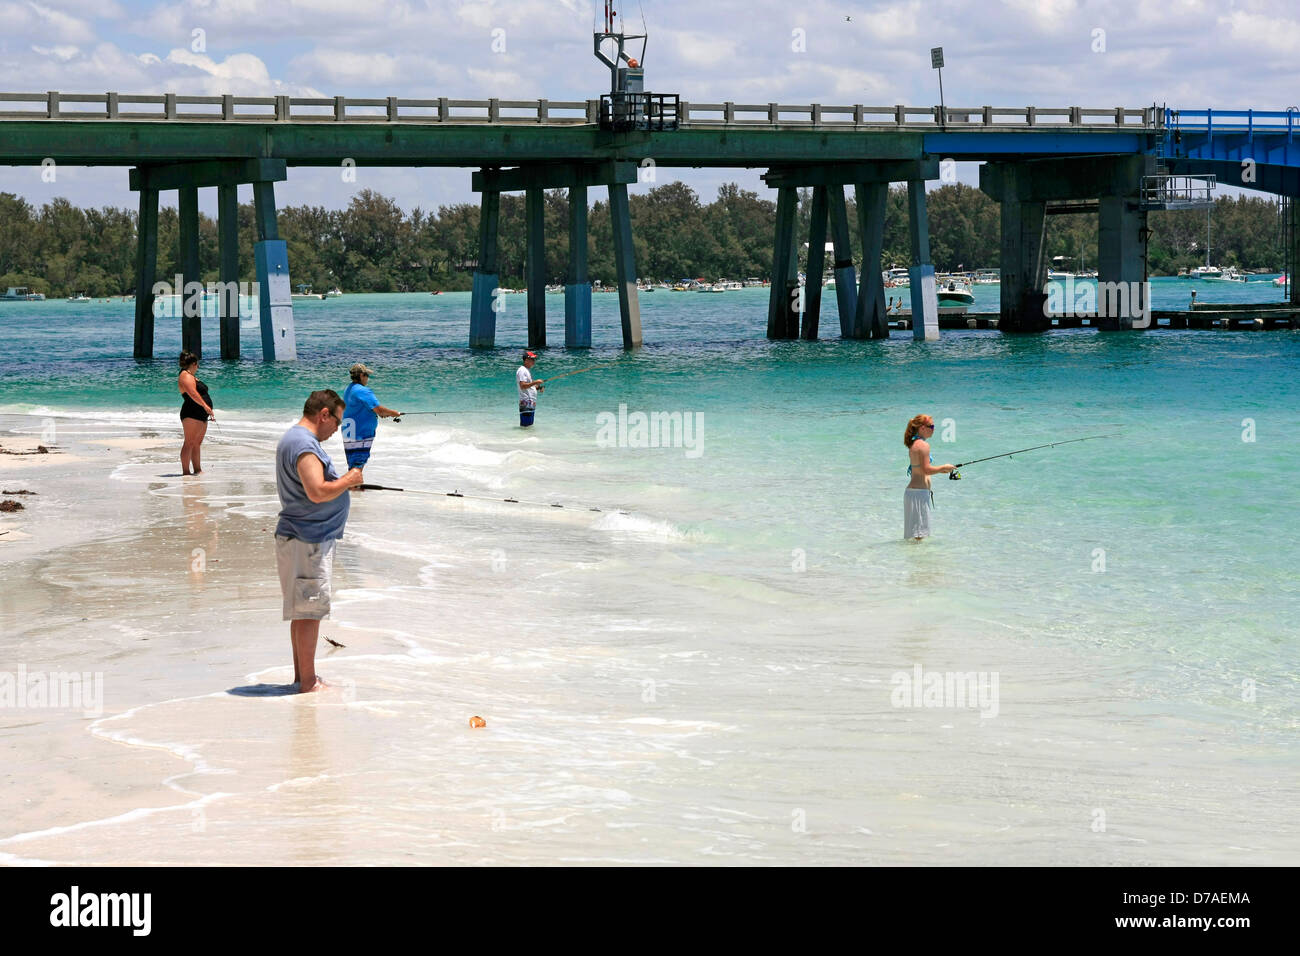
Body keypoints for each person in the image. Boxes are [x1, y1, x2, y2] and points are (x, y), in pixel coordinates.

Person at [274, 390, 364, 692]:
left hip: (301, 536)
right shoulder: (303, 444)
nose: (337, 429)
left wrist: (341, 486)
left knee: (303, 612)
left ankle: (303, 677)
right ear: (323, 414)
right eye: (336, 421)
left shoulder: (294, 438)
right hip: (308, 539)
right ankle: (308, 683)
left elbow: (318, 488)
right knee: (309, 612)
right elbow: (316, 491)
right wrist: (348, 481)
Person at [341, 363, 401, 479]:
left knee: (353, 464)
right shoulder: (363, 391)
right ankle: (352, 487)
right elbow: (379, 410)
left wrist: (377, 413)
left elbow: (360, 408)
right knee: (358, 465)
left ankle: (354, 491)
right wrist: (394, 413)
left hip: (348, 428)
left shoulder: (349, 389)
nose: (368, 378)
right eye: (367, 375)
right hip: (361, 432)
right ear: (362, 375)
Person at [904, 414, 956, 541]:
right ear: (922, 428)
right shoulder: (923, 445)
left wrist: (941, 470)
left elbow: (920, 470)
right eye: (931, 426)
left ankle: (914, 560)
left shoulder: (915, 444)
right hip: (918, 494)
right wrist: (944, 467)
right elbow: (925, 469)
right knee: (918, 537)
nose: (934, 429)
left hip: (915, 493)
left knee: (915, 538)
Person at [177, 350, 214, 475]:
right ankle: (186, 472)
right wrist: (205, 406)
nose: (198, 367)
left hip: (201, 413)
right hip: (191, 412)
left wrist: (208, 410)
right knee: (189, 442)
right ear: (193, 364)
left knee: (197, 443)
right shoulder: (185, 375)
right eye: (197, 365)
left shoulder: (192, 376)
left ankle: (197, 469)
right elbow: (192, 393)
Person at [516, 351, 545, 427]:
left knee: (529, 426)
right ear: (526, 360)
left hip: (530, 402)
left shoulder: (526, 370)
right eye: (532, 359)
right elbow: (522, 386)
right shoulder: (522, 370)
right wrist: (535, 382)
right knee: (525, 426)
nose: (533, 361)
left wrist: (539, 387)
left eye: (534, 359)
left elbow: (529, 386)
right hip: (526, 402)